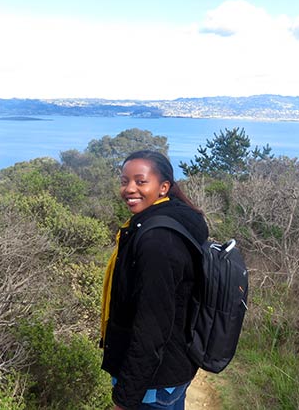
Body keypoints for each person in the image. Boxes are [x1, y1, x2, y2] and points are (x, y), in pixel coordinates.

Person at [100, 150, 209, 410]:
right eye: (125, 181)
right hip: (166, 370)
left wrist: (126, 399)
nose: (129, 189)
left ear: (164, 187)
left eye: (140, 181)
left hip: (153, 384)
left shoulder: (157, 241)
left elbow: (152, 327)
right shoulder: (166, 220)